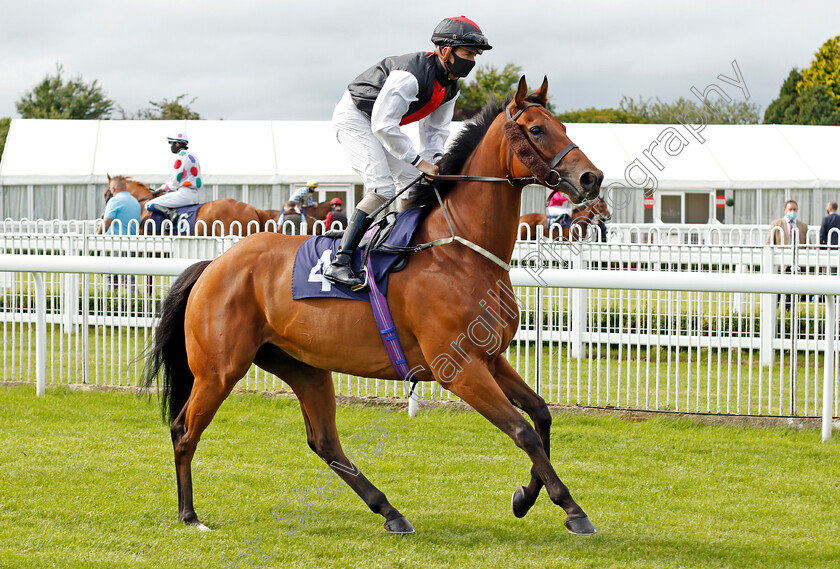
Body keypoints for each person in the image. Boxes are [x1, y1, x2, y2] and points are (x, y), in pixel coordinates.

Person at [325, 16, 492, 288]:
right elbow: (383, 124)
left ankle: (400, 251)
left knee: (413, 184)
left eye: (475, 55)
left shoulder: (450, 87)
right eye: (468, 53)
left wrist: (435, 162)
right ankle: (340, 262)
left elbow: (434, 132)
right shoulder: (411, 75)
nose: (472, 60)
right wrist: (418, 161)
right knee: (382, 189)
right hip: (355, 118)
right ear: (445, 50)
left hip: (379, 124)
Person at [145, 133, 203, 226]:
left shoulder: (180, 157)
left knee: (148, 204)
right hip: (193, 194)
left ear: (177, 144)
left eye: (171, 143)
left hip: (184, 194)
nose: (171, 146)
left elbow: (175, 182)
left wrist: (163, 187)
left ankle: (170, 214)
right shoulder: (192, 156)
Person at [767, 199, 808, 309]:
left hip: (796, 265)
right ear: (785, 210)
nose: (792, 211)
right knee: (776, 295)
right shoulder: (776, 224)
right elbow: (769, 243)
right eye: (790, 209)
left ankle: (789, 320)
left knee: (793, 297)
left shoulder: (803, 226)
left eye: (794, 209)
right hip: (780, 265)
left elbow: (808, 245)